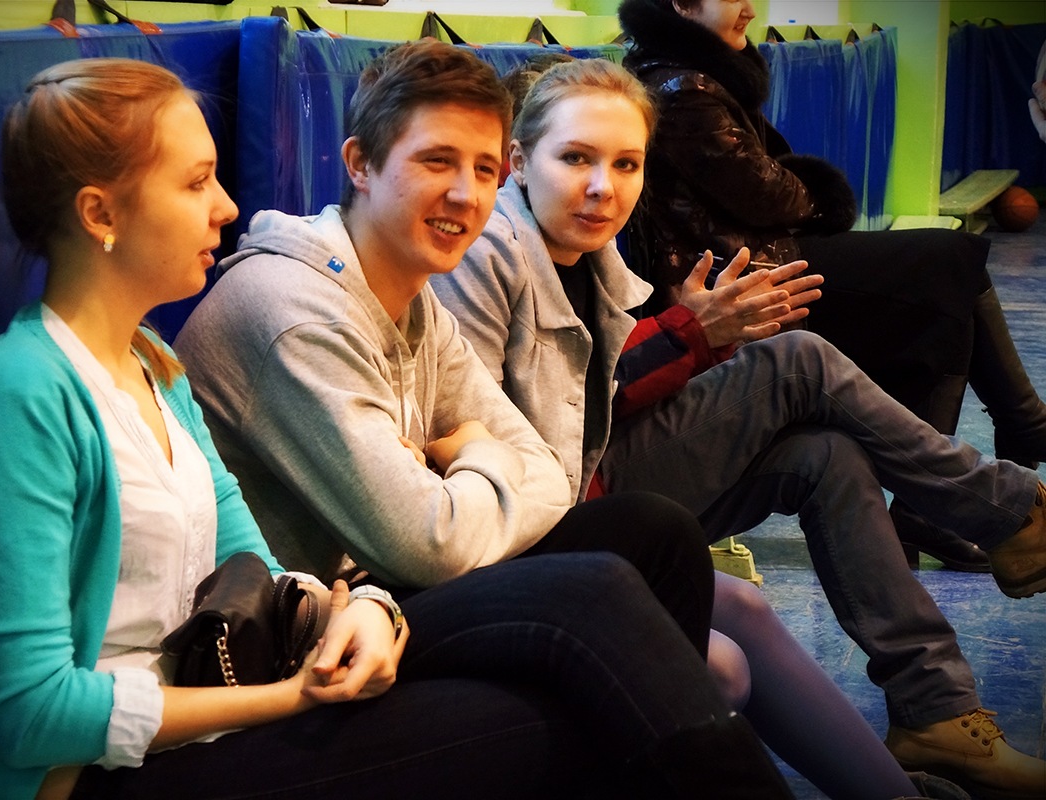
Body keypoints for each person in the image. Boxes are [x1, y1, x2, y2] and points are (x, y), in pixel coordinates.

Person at [0, 57, 796, 800]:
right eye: (194, 183)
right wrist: (292, 696)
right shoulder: (20, 394)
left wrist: (370, 611)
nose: (225, 206)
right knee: (555, 693)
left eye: (484, 168)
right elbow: (31, 712)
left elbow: (258, 572)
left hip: (241, 683)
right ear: (100, 214)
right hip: (108, 772)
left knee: (642, 546)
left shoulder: (152, 363)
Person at [176, 39, 808, 798]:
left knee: (656, 532)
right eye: (436, 161)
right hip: (305, 626)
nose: (465, 194)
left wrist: (465, 461)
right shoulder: (296, 312)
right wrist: (478, 454)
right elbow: (426, 543)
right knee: (592, 597)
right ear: (360, 164)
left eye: (483, 170)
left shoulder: (414, 295)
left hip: (378, 588)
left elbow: (548, 474)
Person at [431, 53, 1046, 800]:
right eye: (576, 158)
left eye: (626, 164)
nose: (602, 185)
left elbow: (586, 382)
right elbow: (527, 425)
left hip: (591, 478)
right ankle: (1011, 512)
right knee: (799, 362)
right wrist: (691, 336)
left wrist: (690, 331)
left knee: (827, 455)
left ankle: (937, 708)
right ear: (519, 161)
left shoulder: (582, 252)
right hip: (552, 511)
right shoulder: (491, 251)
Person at [619, 0, 1046, 572]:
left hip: (759, 253)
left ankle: (995, 450)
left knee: (948, 270)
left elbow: (766, 184)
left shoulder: (688, 73)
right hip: (737, 274)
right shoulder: (682, 89)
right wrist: (820, 194)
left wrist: (799, 190)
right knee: (946, 266)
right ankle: (1012, 436)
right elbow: (770, 192)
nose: (749, 7)